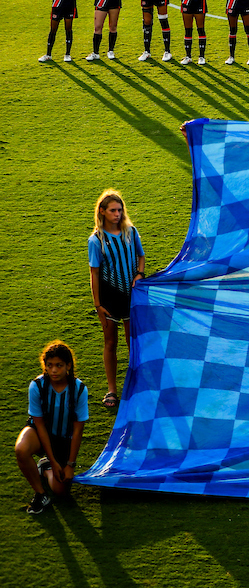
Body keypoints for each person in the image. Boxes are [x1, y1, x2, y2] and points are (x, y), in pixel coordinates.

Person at [15, 341, 88, 514]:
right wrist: (54, 459)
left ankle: (46, 468)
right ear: (45, 366)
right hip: (40, 434)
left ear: (68, 366)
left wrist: (70, 464)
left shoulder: (79, 389)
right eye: (50, 366)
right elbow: (39, 424)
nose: (54, 370)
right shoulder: (37, 386)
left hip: (63, 439)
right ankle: (40, 494)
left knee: (61, 490)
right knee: (21, 449)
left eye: (59, 365)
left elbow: (78, 430)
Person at [88, 189, 145, 410]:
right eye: (113, 210)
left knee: (133, 342)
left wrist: (139, 274)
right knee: (110, 343)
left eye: (120, 210)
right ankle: (112, 389)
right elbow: (94, 273)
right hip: (109, 298)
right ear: (102, 212)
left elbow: (141, 255)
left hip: (132, 296)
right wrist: (98, 305)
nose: (117, 214)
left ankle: (136, 384)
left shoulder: (131, 232)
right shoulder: (96, 240)